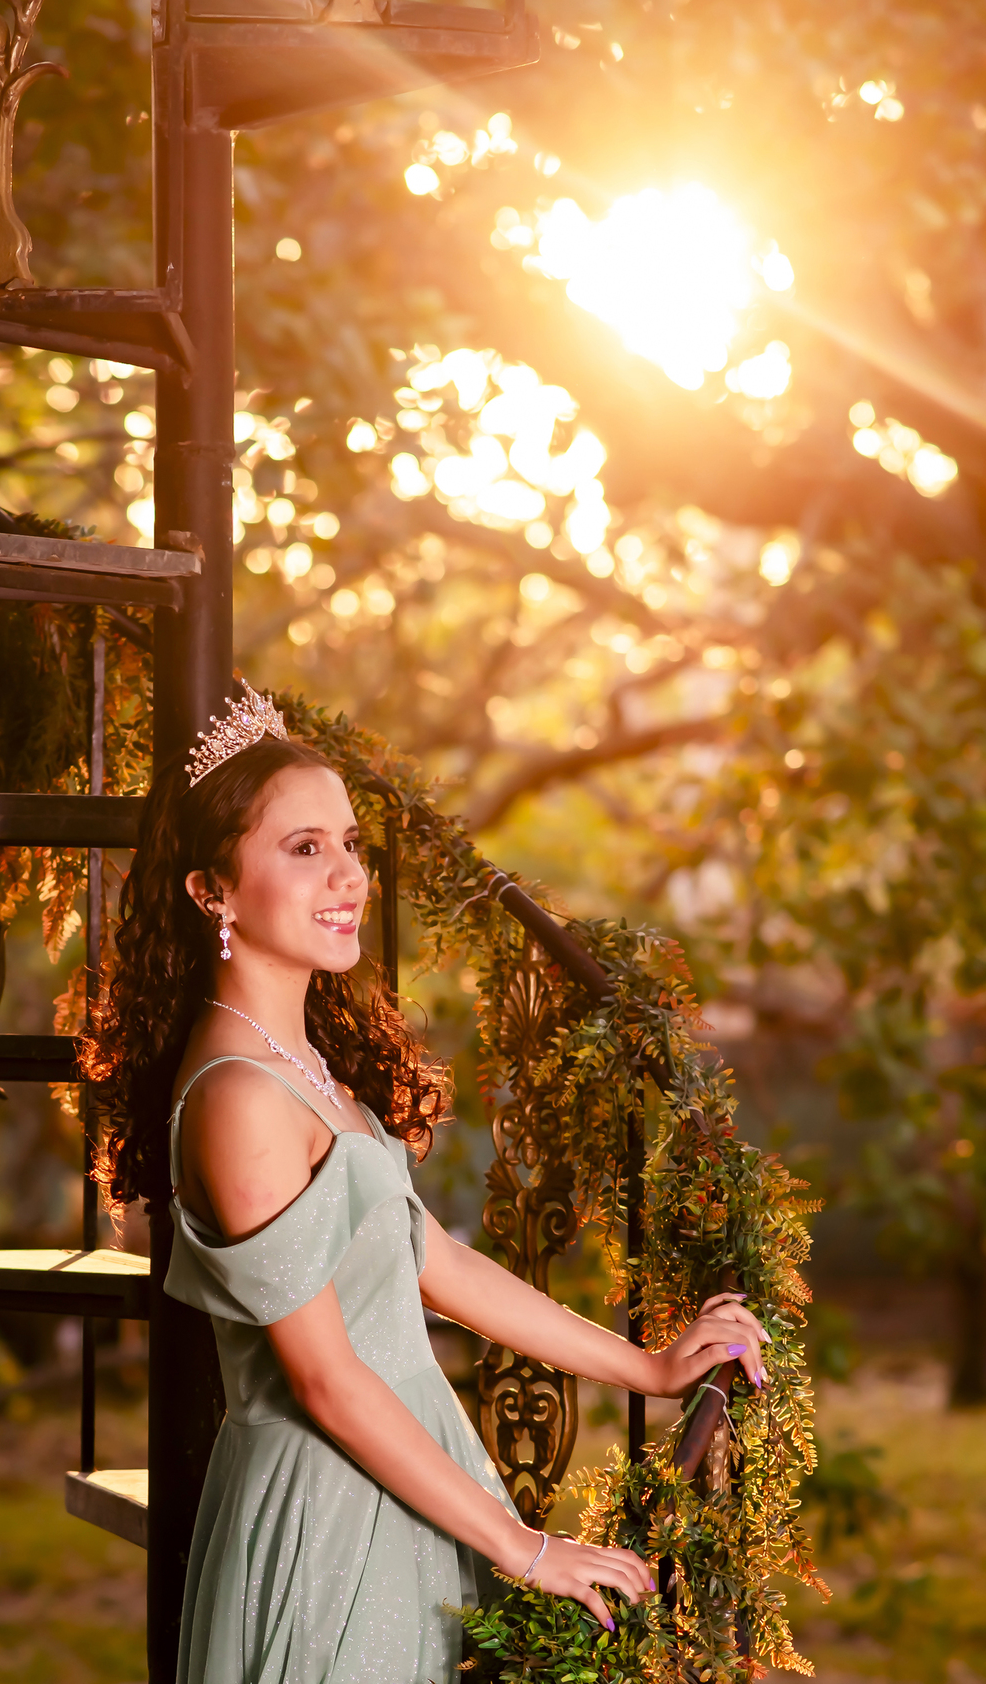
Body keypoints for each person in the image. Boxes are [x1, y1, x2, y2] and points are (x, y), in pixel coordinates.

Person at [85, 684, 767, 1684]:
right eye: (304, 848)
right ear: (213, 892)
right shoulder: (239, 1096)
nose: (349, 876)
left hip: (406, 1479)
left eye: (351, 844)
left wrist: (652, 1367)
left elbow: (430, 1260)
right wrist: (524, 1546)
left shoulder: (301, 1059)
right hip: (328, 1515)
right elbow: (323, 1380)